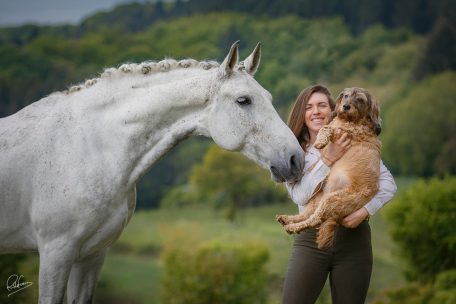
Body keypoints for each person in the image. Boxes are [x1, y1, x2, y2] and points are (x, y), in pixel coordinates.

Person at [282, 85, 397, 304]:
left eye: (322, 105)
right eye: (309, 107)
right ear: (301, 113)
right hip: (311, 240)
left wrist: (364, 211)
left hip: (355, 240)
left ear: (333, 110)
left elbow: (388, 184)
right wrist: (328, 159)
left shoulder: (357, 141)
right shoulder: (295, 152)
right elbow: (300, 196)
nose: (316, 111)